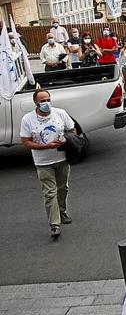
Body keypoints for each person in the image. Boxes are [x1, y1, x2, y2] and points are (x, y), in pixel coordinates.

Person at [20, 90, 76, 239]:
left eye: (48, 99)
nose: (46, 103)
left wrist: (65, 140)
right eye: (42, 101)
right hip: (43, 163)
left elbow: (72, 130)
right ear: (36, 103)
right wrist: (45, 147)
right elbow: (25, 141)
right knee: (50, 193)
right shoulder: (28, 119)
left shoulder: (60, 113)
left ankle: (62, 212)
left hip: (62, 159)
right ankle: (55, 224)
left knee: (63, 188)